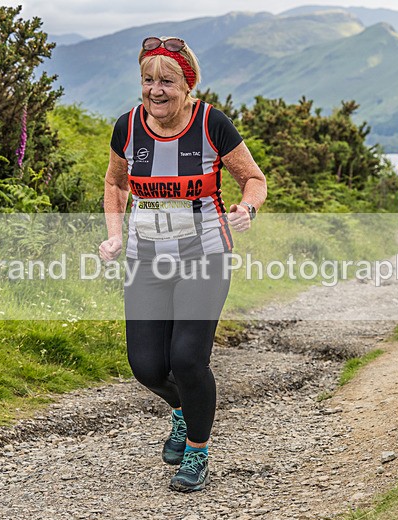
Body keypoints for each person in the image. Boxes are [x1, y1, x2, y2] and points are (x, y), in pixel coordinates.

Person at [98, 36, 267, 492]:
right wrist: (115, 235)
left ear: (187, 85)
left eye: (167, 81)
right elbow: (115, 185)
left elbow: (253, 178)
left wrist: (247, 208)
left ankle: (197, 451)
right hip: (146, 259)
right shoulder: (128, 127)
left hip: (205, 254)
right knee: (147, 366)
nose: (156, 90)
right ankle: (182, 411)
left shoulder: (213, 124)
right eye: (148, 80)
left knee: (188, 358)